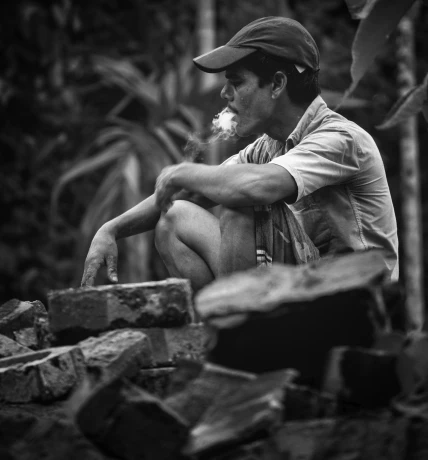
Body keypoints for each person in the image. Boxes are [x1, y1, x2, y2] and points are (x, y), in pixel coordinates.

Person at [80, 16, 399, 291]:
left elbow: (251, 187)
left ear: (276, 84)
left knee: (240, 203)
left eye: (236, 82)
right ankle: (215, 336)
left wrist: (179, 171)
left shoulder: (341, 139)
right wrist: (111, 229)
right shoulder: (267, 147)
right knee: (175, 216)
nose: (224, 94)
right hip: (307, 290)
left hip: (356, 301)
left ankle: (237, 341)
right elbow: (191, 191)